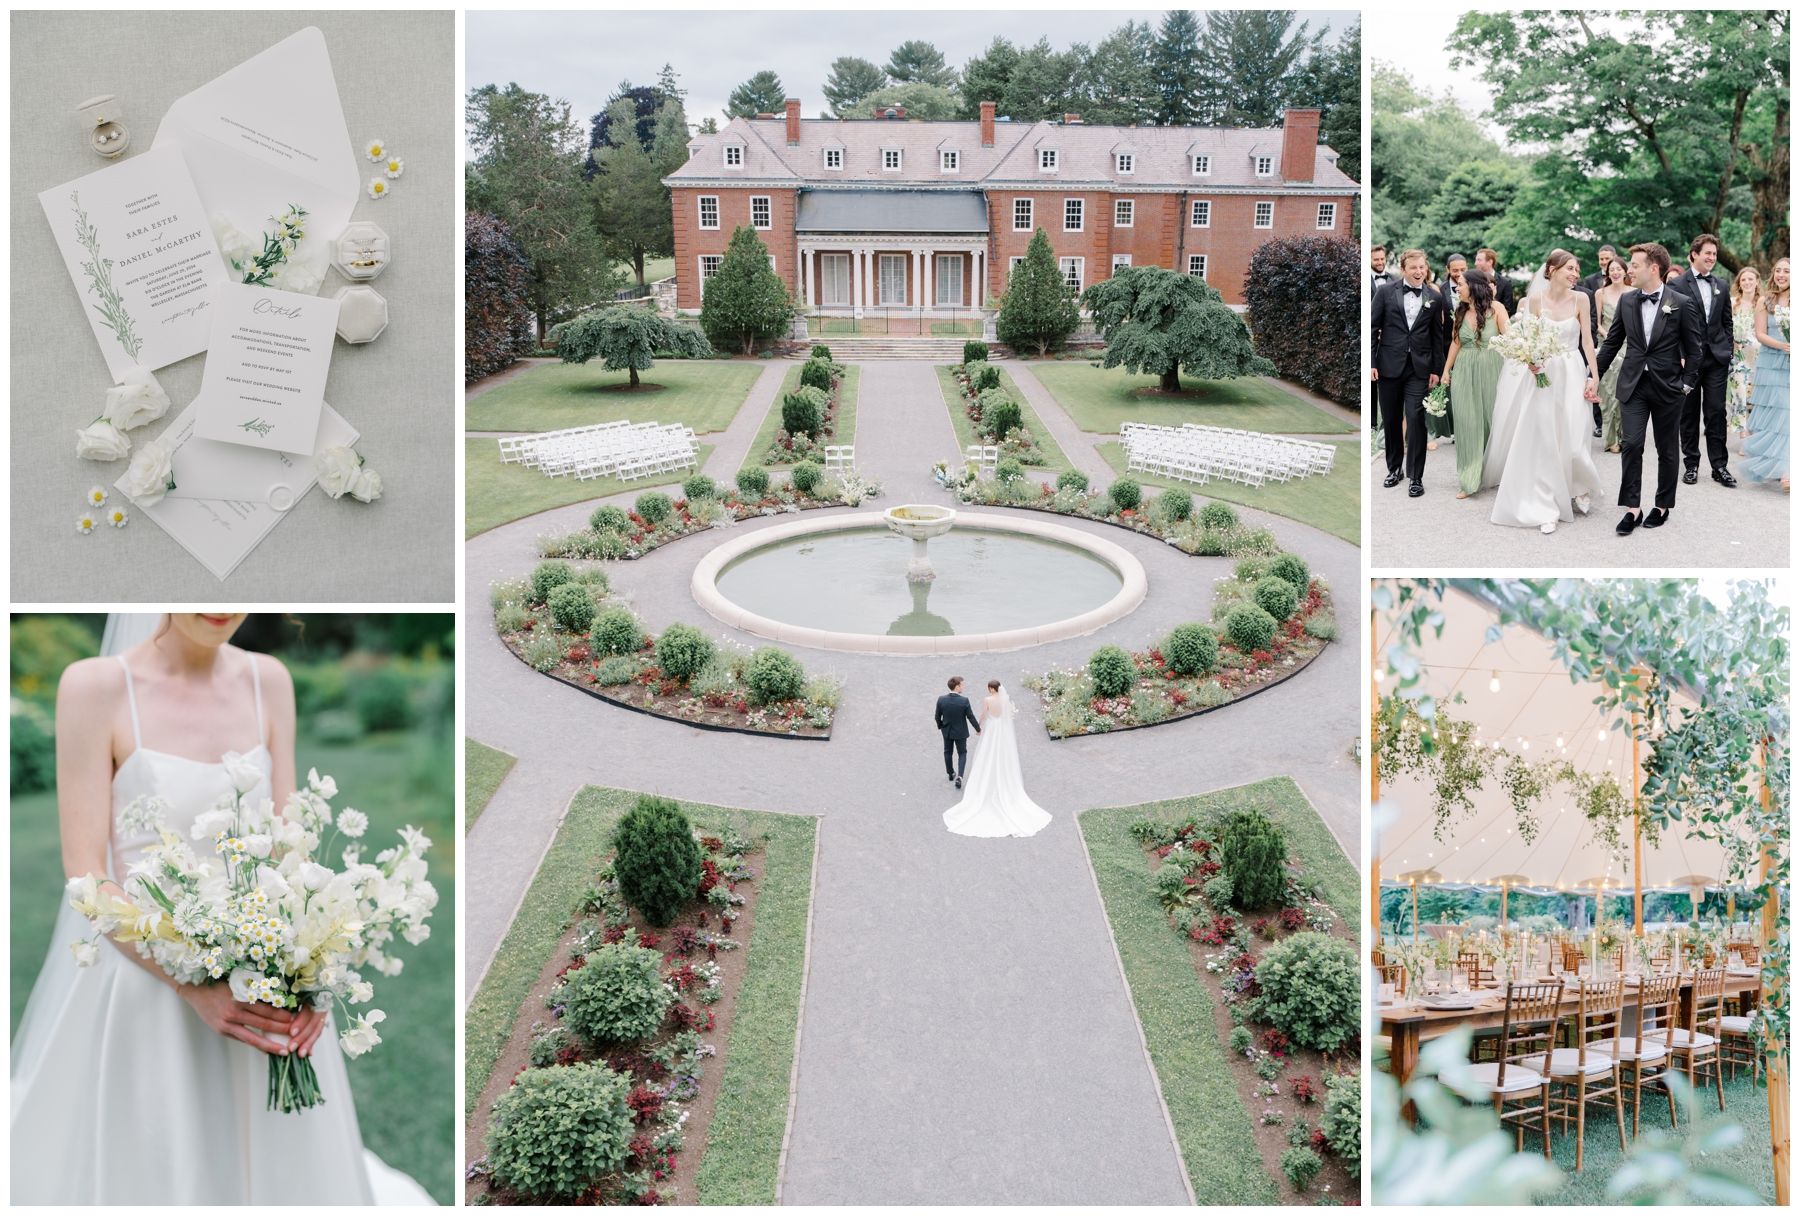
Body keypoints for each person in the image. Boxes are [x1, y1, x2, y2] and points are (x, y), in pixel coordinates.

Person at [10, 613, 432, 1205]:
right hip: (147, 987)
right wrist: (190, 981)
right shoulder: (94, 687)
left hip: (268, 982)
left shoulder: (270, 679)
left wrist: (312, 974)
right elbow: (86, 873)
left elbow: (292, 848)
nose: (222, 606)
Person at [1483, 249, 1603, 533]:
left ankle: (1578, 484)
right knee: (1545, 439)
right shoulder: (1534, 300)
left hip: (1572, 370)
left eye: (1577, 269)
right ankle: (1546, 503)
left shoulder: (1582, 299)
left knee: (1573, 437)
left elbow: (1588, 341)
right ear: (1552, 269)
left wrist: (1594, 375)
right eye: (1570, 269)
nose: (1575, 274)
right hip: (1543, 372)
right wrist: (1531, 362)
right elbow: (1527, 338)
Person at [1595, 242, 1703, 535]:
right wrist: (1592, 375)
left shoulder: (1680, 302)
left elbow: (1695, 349)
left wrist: (1687, 383)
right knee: (1631, 444)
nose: (1628, 269)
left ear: (1653, 268)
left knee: (1667, 449)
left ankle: (1662, 505)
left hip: (1669, 386)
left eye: (1634, 265)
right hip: (1633, 384)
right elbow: (1612, 343)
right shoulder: (1627, 302)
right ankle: (1632, 508)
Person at [1370, 248, 1448, 497]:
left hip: (1419, 369)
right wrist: (1371, 363)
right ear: (1402, 270)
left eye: (1422, 267)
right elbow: (1372, 329)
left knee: (1416, 420)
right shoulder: (1384, 292)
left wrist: (1436, 369)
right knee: (1391, 420)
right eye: (1413, 268)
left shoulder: (1434, 297)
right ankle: (1394, 469)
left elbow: (1438, 337)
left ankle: (1416, 476)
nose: (1418, 272)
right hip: (1388, 366)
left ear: (1426, 269)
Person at [942, 680, 1051, 838]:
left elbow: (983, 715)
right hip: (1002, 730)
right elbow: (1007, 715)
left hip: (992, 729)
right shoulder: (1005, 699)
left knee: (987, 754)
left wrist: (979, 728)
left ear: (991, 688)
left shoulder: (987, 700)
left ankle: (986, 778)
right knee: (1004, 754)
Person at [1670, 234, 1738, 486]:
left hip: (1717, 359)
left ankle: (1719, 466)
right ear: (1694, 254)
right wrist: (1680, 355)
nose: (1711, 258)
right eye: (1707, 253)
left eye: (1714, 254)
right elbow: (1671, 325)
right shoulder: (1677, 284)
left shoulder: (1721, 283)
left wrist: (1727, 348)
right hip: (1689, 361)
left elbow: (1726, 321)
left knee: (1716, 412)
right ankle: (1691, 463)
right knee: (1688, 413)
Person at [1441, 266, 1507, 498]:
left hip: (1492, 369)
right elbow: (1456, 343)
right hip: (1464, 370)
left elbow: (1510, 341)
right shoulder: (1459, 312)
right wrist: (1446, 371)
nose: (1456, 288)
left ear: (1474, 287)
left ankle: (1493, 473)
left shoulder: (1496, 308)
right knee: (1467, 422)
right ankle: (1469, 478)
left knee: (1491, 420)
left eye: (1460, 284)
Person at [1740, 256, 1789, 491]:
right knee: (1777, 411)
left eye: (1787, 271)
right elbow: (1760, 333)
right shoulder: (1765, 300)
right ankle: (1782, 467)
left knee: (1789, 413)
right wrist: (1783, 345)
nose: (1781, 275)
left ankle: (1787, 470)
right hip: (1772, 360)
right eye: (1778, 270)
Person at [1426, 255, 1470, 451]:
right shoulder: (1439, 290)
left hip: (1469, 348)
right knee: (1449, 392)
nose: (1459, 274)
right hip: (1446, 347)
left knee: (1466, 390)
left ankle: (1463, 430)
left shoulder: (1474, 288)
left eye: (1462, 270)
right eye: (1455, 271)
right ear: (1447, 270)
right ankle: (1447, 429)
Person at [1595, 257, 1631, 452]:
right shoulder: (1600, 293)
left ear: (1625, 271)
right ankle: (1611, 440)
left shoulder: (1634, 292)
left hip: (1630, 347)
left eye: (1619, 269)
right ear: (1608, 273)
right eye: (1612, 269)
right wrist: (1606, 334)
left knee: (1626, 393)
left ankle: (1627, 437)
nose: (1615, 272)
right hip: (1608, 346)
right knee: (1609, 393)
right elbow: (1597, 322)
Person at [1730, 264, 1763, 431]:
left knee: (1754, 395)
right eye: (1743, 279)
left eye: (1750, 279)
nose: (1747, 282)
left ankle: (1753, 430)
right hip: (1738, 357)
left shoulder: (1764, 304)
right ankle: (1742, 436)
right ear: (1739, 283)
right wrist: (1731, 341)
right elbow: (1723, 327)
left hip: (1758, 356)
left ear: (1757, 281)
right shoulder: (1731, 303)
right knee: (1739, 393)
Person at [935, 675, 980, 789]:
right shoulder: (963, 700)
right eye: (962, 684)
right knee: (962, 753)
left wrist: (941, 726)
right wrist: (978, 728)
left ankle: (950, 773)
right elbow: (970, 716)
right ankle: (959, 777)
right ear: (957, 686)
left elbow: (937, 716)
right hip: (960, 732)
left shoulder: (941, 699)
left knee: (947, 752)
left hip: (947, 731)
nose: (963, 686)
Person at [1476, 249, 1516, 314]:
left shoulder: (1505, 283)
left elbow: (1508, 310)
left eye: (1479, 260)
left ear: (1490, 262)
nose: (1476, 263)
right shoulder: (1473, 281)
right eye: (1476, 260)